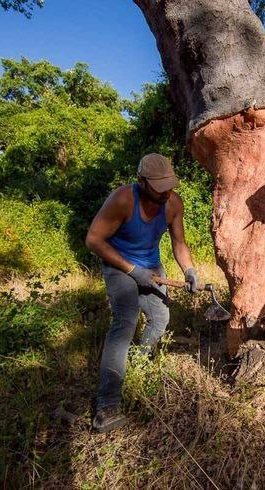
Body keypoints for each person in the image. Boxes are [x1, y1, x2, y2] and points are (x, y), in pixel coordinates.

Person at [85, 153, 200, 433]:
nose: (165, 194)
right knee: (125, 323)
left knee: (160, 319)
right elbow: (93, 239)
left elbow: (179, 243)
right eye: (159, 188)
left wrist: (189, 270)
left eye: (169, 187)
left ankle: (138, 363)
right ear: (141, 181)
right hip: (119, 265)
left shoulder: (173, 204)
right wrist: (132, 271)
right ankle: (107, 405)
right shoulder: (123, 200)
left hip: (152, 267)